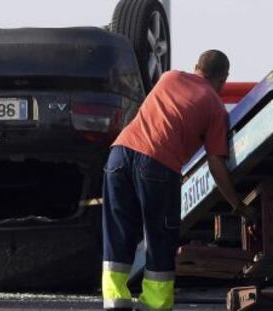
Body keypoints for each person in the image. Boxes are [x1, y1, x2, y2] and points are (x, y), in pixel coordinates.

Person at [102, 50, 254, 311]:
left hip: (119, 155)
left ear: (196, 67)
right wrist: (239, 206)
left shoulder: (169, 78)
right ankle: (156, 305)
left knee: (119, 233)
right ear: (224, 79)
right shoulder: (215, 107)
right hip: (158, 166)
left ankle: (115, 302)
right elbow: (216, 164)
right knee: (160, 236)